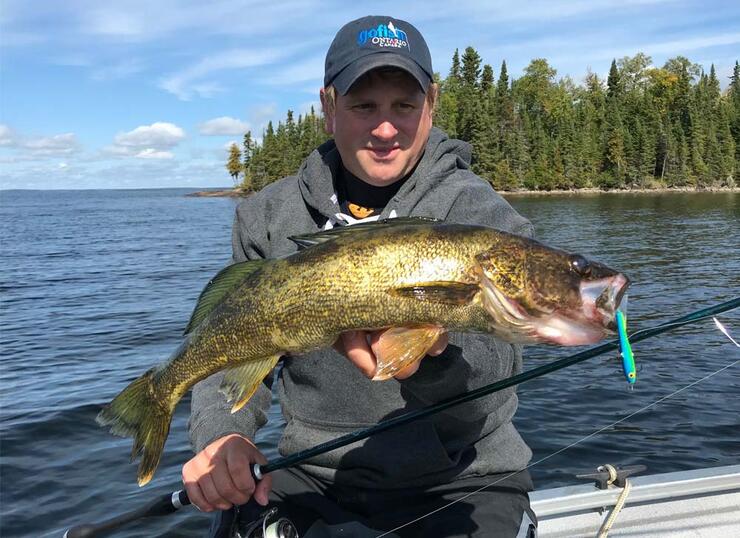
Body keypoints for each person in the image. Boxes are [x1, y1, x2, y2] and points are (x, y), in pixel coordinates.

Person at [185, 15, 537, 538]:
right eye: (363, 105)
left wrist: (431, 358)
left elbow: (496, 374)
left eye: (404, 105)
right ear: (328, 108)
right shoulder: (267, 217)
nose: (386, 128)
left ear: (431, 104)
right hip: (313, 475)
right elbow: (234, 342)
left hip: (461, 477)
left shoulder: (476, 213)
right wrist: (223, 436)